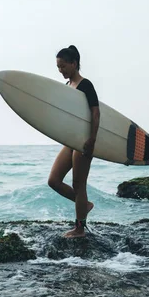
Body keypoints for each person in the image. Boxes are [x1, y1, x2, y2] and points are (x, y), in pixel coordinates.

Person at [47, 45, 100, 238]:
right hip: (71, 141)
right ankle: (84, 205)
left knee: (79, 185)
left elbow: (96, 112)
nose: (60, 70)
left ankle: (80, 228)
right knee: (53, 181)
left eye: (63, 66)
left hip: (84, 142)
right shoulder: (68, 87)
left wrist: (92, 140)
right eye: (58, 67)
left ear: (74, 63)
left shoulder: (85, 85)